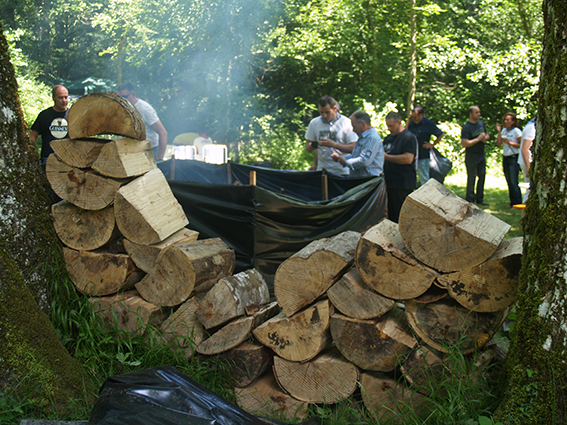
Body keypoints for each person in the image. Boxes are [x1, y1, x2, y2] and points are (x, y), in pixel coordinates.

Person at [305, 95, 358, 176]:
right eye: (321, 112)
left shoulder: (346, 122)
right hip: (323, 170)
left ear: (335, 108)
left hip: (343, 171)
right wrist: (312, 147)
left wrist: (334, 145)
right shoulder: (314, 123)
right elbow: (309, 148)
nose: (324, 116)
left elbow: (354, 148)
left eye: (327, 112)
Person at [117, 83, 168, 161]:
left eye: (124, 97)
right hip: (134, 151)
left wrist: (160, 158)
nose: (122, 100)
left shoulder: (144, 108)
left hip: (149, 151)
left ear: (133, 94)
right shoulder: (125, 108)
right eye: (119, 98)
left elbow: (163, 133)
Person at [383, 111, 418, 223]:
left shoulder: (408, 137)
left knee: (402, 216)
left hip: (403, 184)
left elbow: (408, 158)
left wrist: (387, 157)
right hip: (390, 183)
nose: (389, 128)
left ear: (399, 122)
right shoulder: (388, 139)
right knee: (392, 216)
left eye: (391, 126)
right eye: (388, 125)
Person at [330, 110, 384, 177]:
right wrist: (340, 158)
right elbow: (355, 156)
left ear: (363, 124)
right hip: (360, 179)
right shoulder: (362, 138)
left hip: (369, 181)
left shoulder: (372, 138)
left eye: (354, 127)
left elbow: (364, 161)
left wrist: (346, 162)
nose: (353, 130)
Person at [30, 84, 69, 164]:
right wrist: (32, 154)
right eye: (60, 98)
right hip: (47, 160)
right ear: (53, 98)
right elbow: (34, 135)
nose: (64, 100)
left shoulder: (73, 115)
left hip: (69, 160)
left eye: (66, 97)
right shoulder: (44, 115)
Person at [406, 105, 444, 186]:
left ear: (421, 115)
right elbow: (404, 134)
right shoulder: (411, 123)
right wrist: (408, 121)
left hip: (422, 155)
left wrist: (432, 144)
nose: (414, 119)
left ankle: (427, 192)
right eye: (412, 117)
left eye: (415, 117)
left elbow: (440, 134)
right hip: (411, 155)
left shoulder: (428, 123)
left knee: (424, 179)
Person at [461, 106, 490, 206]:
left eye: (479, 112)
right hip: (471, 155)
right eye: (476, 112)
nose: (479, 114)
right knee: (472, 177)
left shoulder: (481, 123)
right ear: (471, 114)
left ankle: (480, 199)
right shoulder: (467, 127)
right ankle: (470, 199)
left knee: (482, 176)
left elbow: (486, 134)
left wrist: (486, 137)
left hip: (481, 154)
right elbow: (464, 143)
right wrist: (478, 139)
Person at [496, 112, 522, 207]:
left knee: (513, 181)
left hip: (513, 158)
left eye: (508, 120)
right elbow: (499, 143)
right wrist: (499, 132)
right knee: (508, 181)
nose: (505, 122)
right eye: (505, 120)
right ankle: (512, 202)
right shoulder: (504, 131)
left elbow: (521, 145)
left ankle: (517, 202)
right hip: (506, 157)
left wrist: (510, 143)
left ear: (513, 121)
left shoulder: (516, 131)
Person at [518, 116, 536, 202]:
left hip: (528, 161)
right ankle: (525, 208)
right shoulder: (532, 128)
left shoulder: (530, 125)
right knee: (530, 188)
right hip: (528, 162)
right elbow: (524, 149)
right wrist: (528, 166)